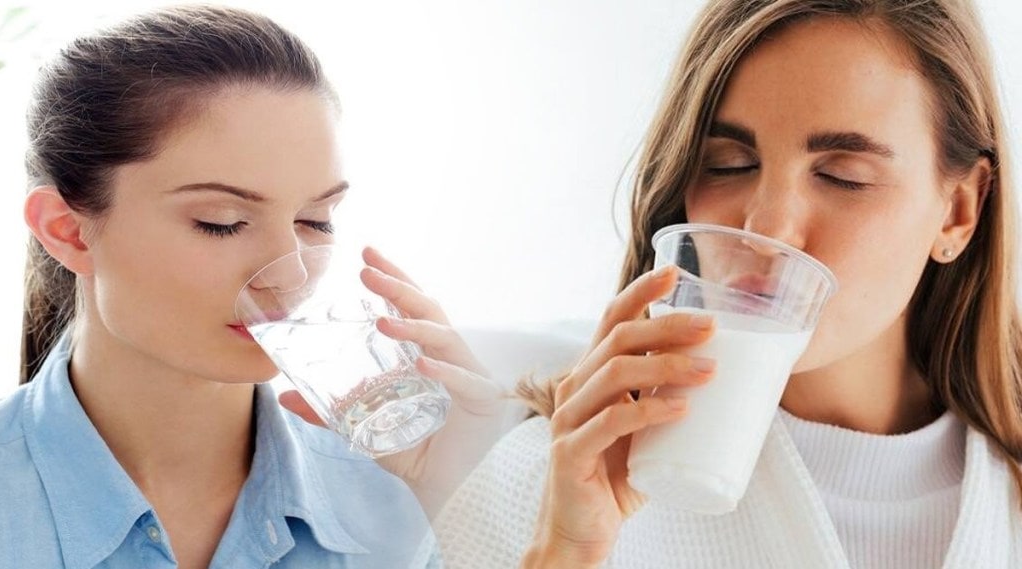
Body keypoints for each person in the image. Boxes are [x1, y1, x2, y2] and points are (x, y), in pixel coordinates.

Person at [434, 0, 1022, 567]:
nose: (767, 226)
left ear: (958, 213)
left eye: (843, 177)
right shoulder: (549, 485)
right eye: (728, 166)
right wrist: (564, 555)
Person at [0, 5, 501, 568]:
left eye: (316, 221)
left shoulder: (401, 492)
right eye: (221, 221)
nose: (290, 274)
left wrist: (467, 514)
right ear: (67, 232)